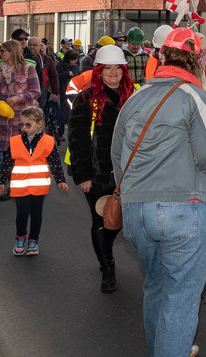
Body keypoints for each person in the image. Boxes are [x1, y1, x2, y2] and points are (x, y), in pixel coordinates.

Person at [112, 27, 206, 357]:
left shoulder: (135, 97)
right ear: (198, 61)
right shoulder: (196, 97)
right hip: (184, 209)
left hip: (137, 211)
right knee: (181, 296)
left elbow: (116, 154)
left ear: (161, 55)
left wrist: (131, 195)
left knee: (155, 284)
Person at [67, 44, 136, 292]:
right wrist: (83, 174)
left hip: (128, 173)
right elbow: (77, 137)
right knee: (101, 219)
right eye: (108, 68)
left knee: (119, 220)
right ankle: (107, 265)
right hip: (98, 173)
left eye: (118, 68)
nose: (114, 73)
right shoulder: (87, 98)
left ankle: (105, 250)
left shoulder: (134, 95)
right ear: (99, 71)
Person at [0, 106, 67, 256]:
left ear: (39, 124)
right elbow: (7, 162)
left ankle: (33, 241)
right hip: (20, 186)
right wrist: (1, 181)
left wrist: (60, 179)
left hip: (39, 187)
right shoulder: (14, 141)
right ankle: (20, 239)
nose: (24, 128)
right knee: (21, 214)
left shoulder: (48, 141)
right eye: (21, 124)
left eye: (28, 124)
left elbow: (55, 162)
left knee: (36, 215)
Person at [0, 40, 41, 200]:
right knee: (8, 153)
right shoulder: (0, 69)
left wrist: (19, 98)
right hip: (5, 119)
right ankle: (13, 187)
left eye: (4, 51)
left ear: (12, 52)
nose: (1, 54)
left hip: (24, 118)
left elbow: (36, 92)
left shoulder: (29, 68)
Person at [55, 48, 82, 133]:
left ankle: (72, 131)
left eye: (76, 59)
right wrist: (67, 74)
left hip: (73, 92)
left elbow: (77, 76)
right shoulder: (59, 66)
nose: (75, 61)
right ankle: (60, 132)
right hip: (61, 91)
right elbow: (56, 77)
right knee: (61, 112)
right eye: (73, 59)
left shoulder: (76, 67)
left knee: (72, 112)